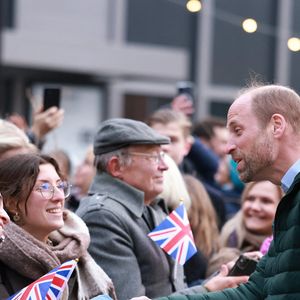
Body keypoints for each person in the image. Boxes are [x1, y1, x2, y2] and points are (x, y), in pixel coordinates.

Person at [152, 83, 300, 300]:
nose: (227, 147)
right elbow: (254, 291)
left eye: (237, 131)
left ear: (276, 125)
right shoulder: (291, 199)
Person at [76, 118, 247, 300]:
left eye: (162, 156)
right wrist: (206, 291)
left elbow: (180, 285)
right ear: (116, 166)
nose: (164, 166)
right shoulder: (102, 216)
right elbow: (129, 299)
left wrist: (224, 275)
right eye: (153, 157)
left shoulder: (154, 207)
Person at [0, 153, 116, 300]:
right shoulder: (3, 260)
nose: (59, 196)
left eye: (60, 186)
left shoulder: (72, 249)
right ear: (11, 202)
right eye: (45, 187)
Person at [207, 180, 282, 276]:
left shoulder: (288, 250)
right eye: (250, 199)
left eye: (266, 201)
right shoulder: (222, 239)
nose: (254, 207)